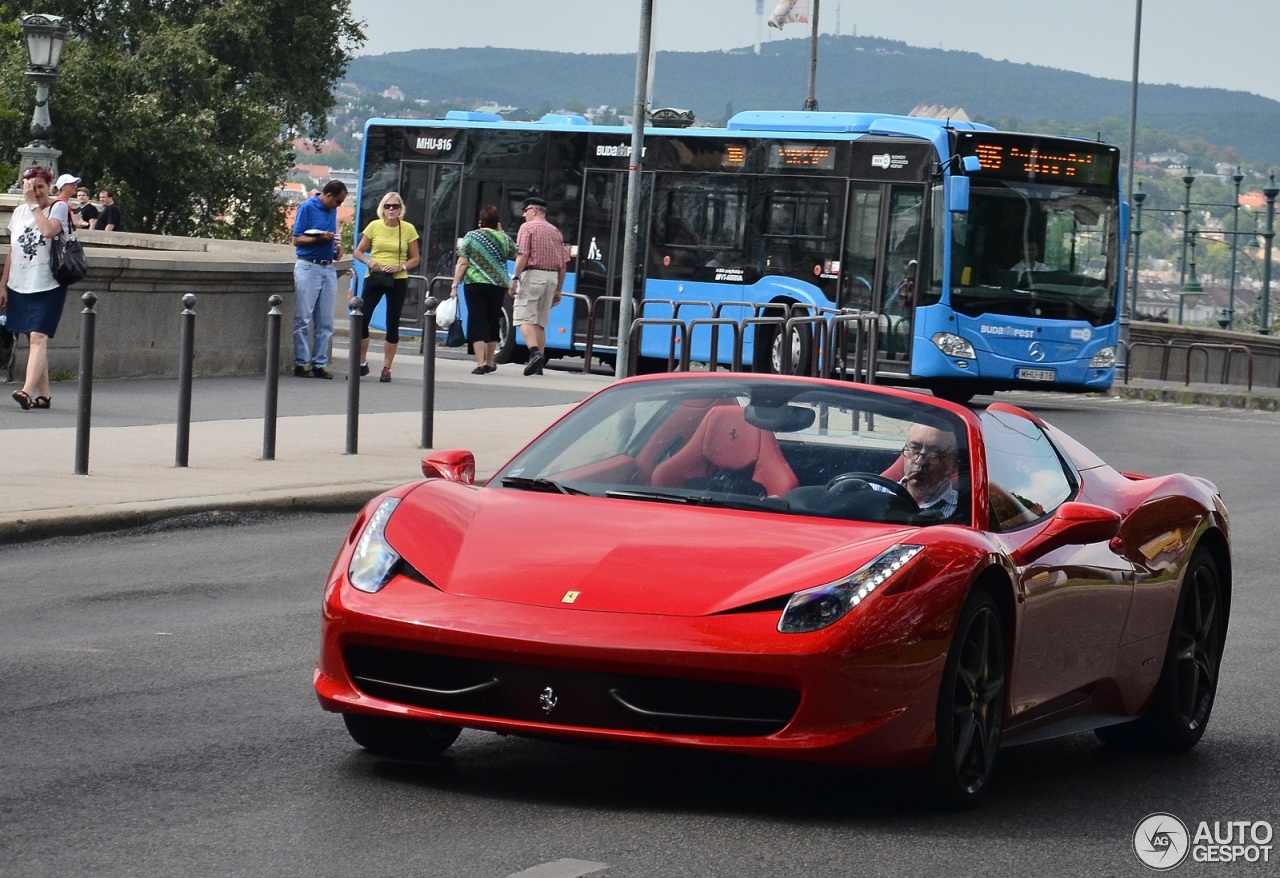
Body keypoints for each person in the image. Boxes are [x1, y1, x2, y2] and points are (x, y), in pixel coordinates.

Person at [1, 166, 71, 411]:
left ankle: (26, 391)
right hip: (21, 282)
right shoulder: (19, 212)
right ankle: (45, 395)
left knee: (38, 336)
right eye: (30, 186)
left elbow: (49, 230)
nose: (36, 191)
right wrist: (3, 283)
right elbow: (13, 249)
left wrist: (33, 205)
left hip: (48, 282)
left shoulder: (58, 207)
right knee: (32, 339)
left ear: (49, 187)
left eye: (40, 186)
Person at [352, 191, 419, 382]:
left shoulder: (407, 229)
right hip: (375, 276)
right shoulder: (374, 226)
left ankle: (387, 368)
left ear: (400, 210)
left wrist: (401, 266)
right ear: (382, 208)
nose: (391, 209)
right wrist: (369, 261)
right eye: (387, 206)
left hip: (397, 279)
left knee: (392, 322)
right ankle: (362, 362)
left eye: (395, 206)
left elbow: (415, 258)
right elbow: (358, 251)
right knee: (362, 318)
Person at [291, 180, 347, 378]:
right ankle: (301, 361)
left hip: (327, 266)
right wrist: (318, 239)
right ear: (329, 195)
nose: (338, 206)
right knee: (303, 317)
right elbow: (296, 239)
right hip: (308, 265)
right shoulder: (307, 208)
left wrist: (336, 247)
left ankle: (320, 362)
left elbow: (333, 236)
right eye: (338, 201)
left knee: (325, 320)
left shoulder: (332, 211)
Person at [452, 204, 515, 374]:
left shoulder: (471, 236)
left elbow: (463, 262)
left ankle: (479, 363)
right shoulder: (503, 238)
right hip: (497, 284)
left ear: (480, 221)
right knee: (492, 319)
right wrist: (500, 232)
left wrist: (455, 284)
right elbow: (515, 253)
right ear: (497, 222)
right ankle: (489, 361)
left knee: (476, 319)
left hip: (474, 283)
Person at [508, 196, 566, 376]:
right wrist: (558, 289)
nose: (524, 215)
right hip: (552, 278)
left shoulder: (527, 228)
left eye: (525, 211)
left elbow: (523, 255)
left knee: (524, 317)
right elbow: (563, 264)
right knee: (540, 322)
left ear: (533, 211)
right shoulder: (555, 231)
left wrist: (515, 278)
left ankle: (534, 353)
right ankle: (539, 364)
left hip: (533, 275)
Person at [898, 422, 959, 517]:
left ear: (953, 464)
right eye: (914, 448)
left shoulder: (965, 512)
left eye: (933, 453)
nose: (920, 461)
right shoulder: (876, 493)